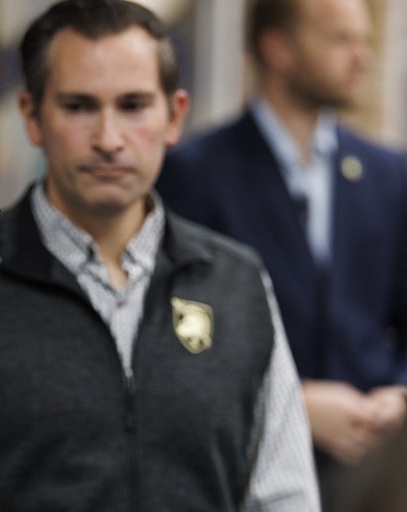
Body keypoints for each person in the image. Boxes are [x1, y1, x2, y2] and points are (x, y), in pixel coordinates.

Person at [0, 1, 319, 510]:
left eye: (133, 106)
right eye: (79, 106)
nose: (109, 139)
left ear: (174, 116)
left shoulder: (236, 282)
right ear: (32, 117)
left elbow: (283, 493)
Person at [156, 0, 407, 504]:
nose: (361, 57)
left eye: (364, 41)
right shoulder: (194, 174)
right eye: (340, 39)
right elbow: (177, 334)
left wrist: (400, 395)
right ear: (278, 49)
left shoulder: (389, 174)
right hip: (251, 471)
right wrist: (292, 403)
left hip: (380, 473)